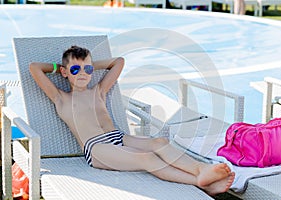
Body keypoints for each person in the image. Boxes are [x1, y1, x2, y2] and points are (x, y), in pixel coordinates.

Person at [29, 45, 235, 196]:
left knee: (159, 143)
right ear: (65, 73)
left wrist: (88, 65)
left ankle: (200, 169)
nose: (82, 74)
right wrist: (61, 67)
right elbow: (34, 67)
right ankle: (198, 181)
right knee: (146, 157)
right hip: (97, 149)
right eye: (75, 70)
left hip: (118, 137)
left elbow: (118, 61)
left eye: (88, 69)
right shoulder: (61, 98)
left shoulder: (98, 91)